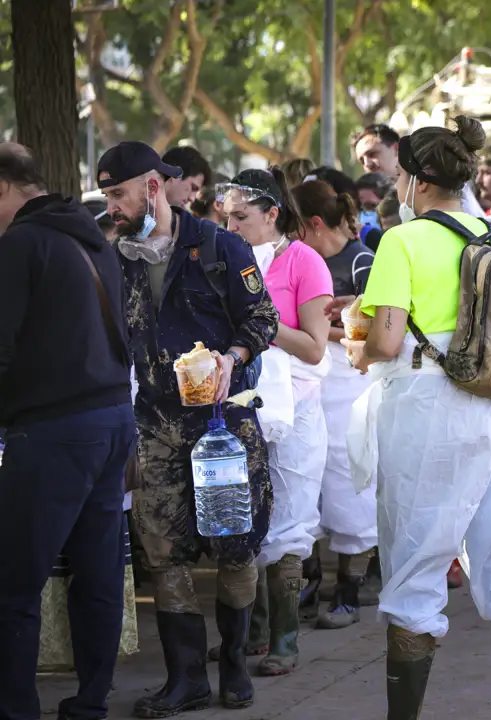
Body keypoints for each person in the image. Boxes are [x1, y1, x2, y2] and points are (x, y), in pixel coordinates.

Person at [344, 118, 491, 718]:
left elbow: (383, 343)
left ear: (412, 179)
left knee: (414, 571)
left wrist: (354, 349)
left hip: (435, 413)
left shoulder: (402, 241)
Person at [97, 141, 278, 715]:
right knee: (162, 552)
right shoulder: (116, 256)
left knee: (235, 547)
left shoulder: (219, 246)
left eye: (118, 192)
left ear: (153, 188)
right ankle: (185, 679)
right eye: (106, 193)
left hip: (224, 425)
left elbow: (263, 317)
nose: (112, 205)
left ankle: (233, 665)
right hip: (155, 426)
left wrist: (231, 356)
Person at [0, 145, 136, 720]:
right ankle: (91, 703)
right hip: (111, 422)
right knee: (98, 571)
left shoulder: (22, 244)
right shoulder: (90, 238)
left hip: (54, 429)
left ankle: (16, 709)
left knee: (12, 587)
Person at [222, 168, 333, 676]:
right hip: (237, 401)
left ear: (272, 214)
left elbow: (313, 348)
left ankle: (285, 640)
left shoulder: (303, 261)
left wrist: (262, 320)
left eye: (242, 217)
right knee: (243, 517)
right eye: (226, 218)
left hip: (296, 408)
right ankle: (254, 634)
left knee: (288, 519)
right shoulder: (226, 258)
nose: (232, 227)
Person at [293, 179, 379, 630]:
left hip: (350, 385)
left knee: (350, 484)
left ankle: (348, 590)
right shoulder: (302, 261)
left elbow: (372, 334)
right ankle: (306, 584)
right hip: (310, 385)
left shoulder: (362, 260)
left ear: (315, 223)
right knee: (308, 480)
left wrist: (315, 332)